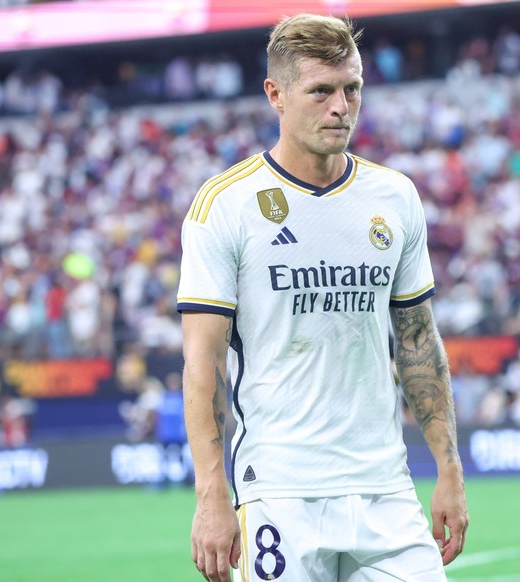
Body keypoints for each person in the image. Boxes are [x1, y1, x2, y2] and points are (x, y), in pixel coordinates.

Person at [177, 14, 468, 582]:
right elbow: (202, 363)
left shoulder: (395, 196)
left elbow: (416, 341)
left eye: (351, 89)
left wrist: (449, 468)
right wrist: (212, 495)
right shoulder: (225, 205)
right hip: (281, 491)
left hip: (384, 485)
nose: (341, 106)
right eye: (321, 91)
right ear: (276, 95)